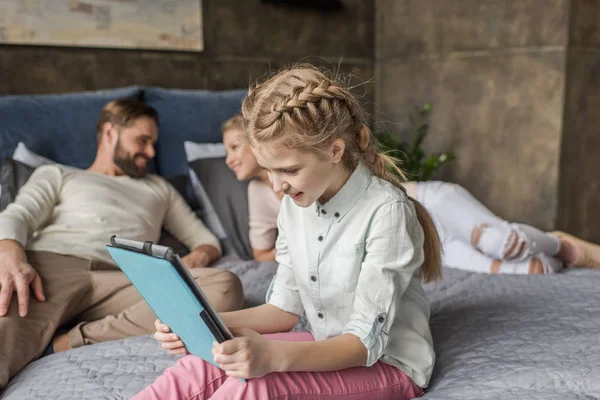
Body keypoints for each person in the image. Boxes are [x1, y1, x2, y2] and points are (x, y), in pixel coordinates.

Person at [133, 64, 443, 399]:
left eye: (290, 170)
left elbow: (361, 343)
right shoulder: (294, 207)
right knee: (203, 362)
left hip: (386, 363)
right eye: (268, 170)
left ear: (334, 151)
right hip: (323, 344)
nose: (278, 185)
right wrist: (205, 327)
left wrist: (273, 357)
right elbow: (283, 311)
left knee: (255, 387)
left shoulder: (387, 211)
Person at [0, 99, 244, 389]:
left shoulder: (159, 188)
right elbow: (18, 215)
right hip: (52, 267)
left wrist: (197, 258)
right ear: (109, 133)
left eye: (154, 143)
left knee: (225, 287)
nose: (151, 152)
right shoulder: (60, 174)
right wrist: (10, 253)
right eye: (142, 140)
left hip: (128, 277)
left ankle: (70, 340)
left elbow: (205, 240)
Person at [221, 113, 600, 275]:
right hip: (420, 243)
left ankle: (557, 242)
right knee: (533, 270)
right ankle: (552, 257)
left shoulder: (335, 170)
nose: (229, 158)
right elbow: (262, 254)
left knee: (502, 241)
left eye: (237, 146)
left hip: (425, 205)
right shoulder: (267, 198)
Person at [222, 114, 282, 261]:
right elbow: (261, 254)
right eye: (227, 152)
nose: (228, 161)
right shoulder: (257, 190)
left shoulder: (302, 174)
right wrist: (289, 252)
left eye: (234, 147)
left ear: (258, 141)